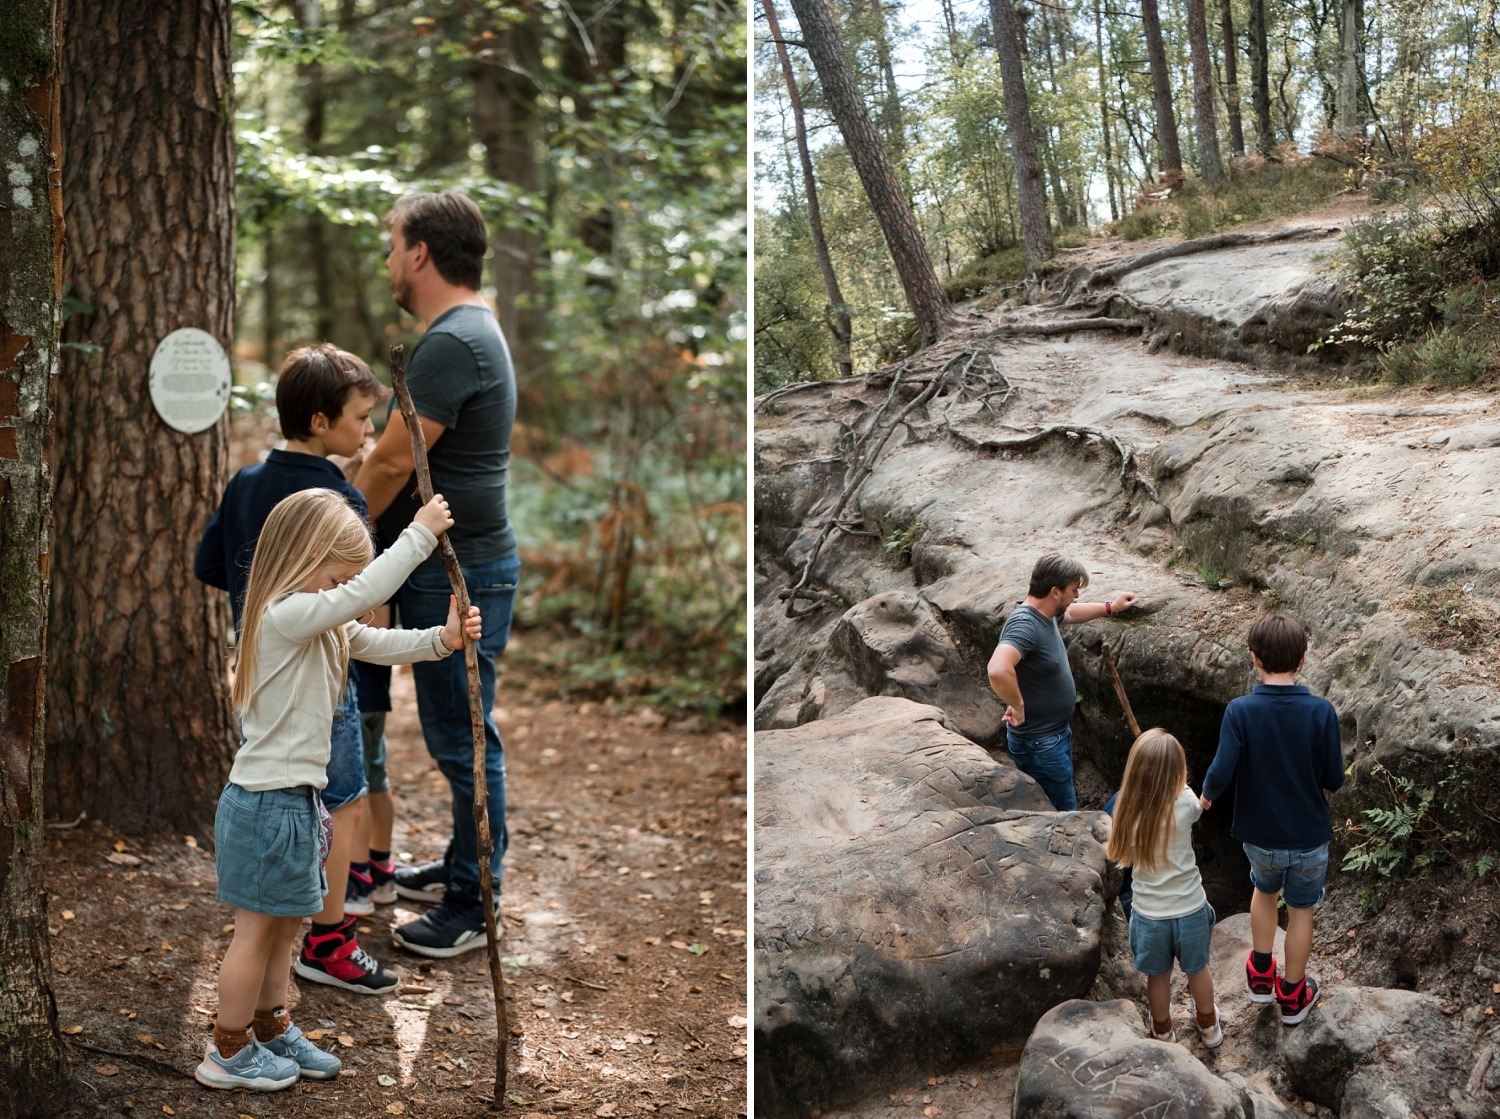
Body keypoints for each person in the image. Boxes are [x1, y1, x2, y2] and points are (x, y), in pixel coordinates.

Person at [196, 487, 481, 1091]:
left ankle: (272, 1028)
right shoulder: (284, 613)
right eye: (336, 575)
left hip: (297, 804)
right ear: (304, 557)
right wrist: (420, 534)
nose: (341, 588)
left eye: (344, 579)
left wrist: (443, 640)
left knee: (281, 930)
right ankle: (227, 1050)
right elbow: (366, 594)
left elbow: (376, 642)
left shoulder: (319, 622)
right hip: (265, 805)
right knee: (254, 934)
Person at [195, 344, 402, 994]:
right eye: (362, 416)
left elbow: (208, 565)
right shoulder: (337, 496)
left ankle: (285, 926)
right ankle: (330, 938)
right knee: (335, 803)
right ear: (319, 420)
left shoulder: (247, 482)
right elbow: (359, 597)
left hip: (259, 671)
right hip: (321, 681)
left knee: (277, 791)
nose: (369, 430)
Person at [355, 190, 521, 958]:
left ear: (421, 253)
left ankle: (473, 898)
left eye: (393, 243)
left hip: (458, 572)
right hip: (460, 565)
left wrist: (339, 528)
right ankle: (463, 865)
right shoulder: (467, 330)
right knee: (460, 728)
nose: (389, 258)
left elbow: (392, 458)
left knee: (461, 736)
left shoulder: (453, 341)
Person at [1200, 613, 1344, 1027]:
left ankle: (1261, 976)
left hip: (1259, 836)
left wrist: (1207, 796)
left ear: (1253, 658)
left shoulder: (1240, 711)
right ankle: (1293, 997)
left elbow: (1223, 768)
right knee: (1300, 910)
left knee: (1264, 892)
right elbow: (1333, 779)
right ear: (1302, 659)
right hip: (1308, 836)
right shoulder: (1321, 712)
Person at [986, 554, 1138, 810]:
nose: (1076, 596)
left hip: (1052, 737)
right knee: (1064, 815)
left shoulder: (1044, 614)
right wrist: (1017, 704)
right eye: (1073, 590)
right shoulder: (1025, 624)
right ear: (1055, 592)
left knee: (1060, 805)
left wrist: (1110, 606)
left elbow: (1072, 613)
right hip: (1040, 744)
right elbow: (998, 669)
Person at [1108, 729, 1222, 1047]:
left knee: (1158, 977)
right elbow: (1193, 798)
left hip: (1148, 915)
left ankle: (1162, 1029)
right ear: (1177, 772)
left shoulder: (1126, 812)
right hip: (1190, 910)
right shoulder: (1186, 806)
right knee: (1198, 970)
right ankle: (1209, 1026)